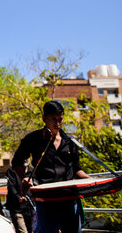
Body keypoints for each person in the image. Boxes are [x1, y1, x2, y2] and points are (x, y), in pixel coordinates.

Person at [12, 100, 90, 233]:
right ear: (44, 119)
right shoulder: (33, 139)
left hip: (69, 196)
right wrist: (24, 178)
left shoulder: (69, 142)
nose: (58, 123)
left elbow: (76, 169)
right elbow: (17, 162)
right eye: (53, 119)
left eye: (60, 119)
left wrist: (90, 179)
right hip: (46, 197)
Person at [5, 159, 34, 233]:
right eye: (23, 157)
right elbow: (11, 186)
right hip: (17, 208)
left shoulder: (32, 170)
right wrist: (19, 197)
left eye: (27, 157)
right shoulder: (12, 170)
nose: (25, 159)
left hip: (29, 208)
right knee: (22, 231)